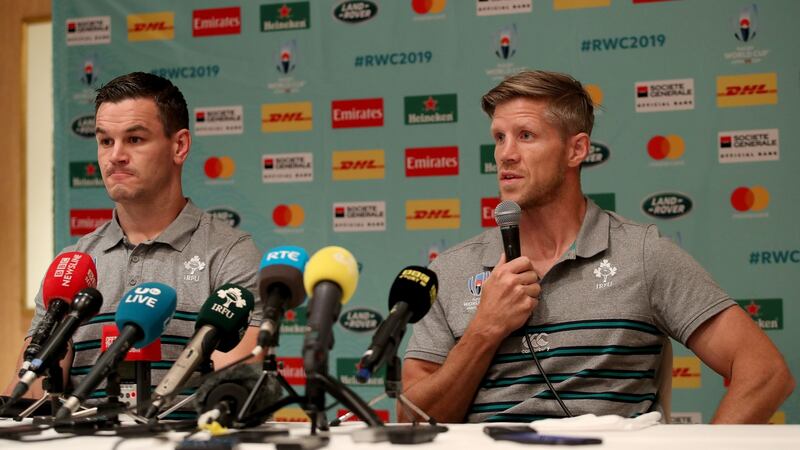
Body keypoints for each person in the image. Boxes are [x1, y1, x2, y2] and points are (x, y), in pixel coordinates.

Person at [401, 70, 794, 423]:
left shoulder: (641, 255)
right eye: (499, 138)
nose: (506, 153)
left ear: (576, 150)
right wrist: (484, 331)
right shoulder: (450, 272)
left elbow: (765, 373)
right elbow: (412, 419)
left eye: (526, 136)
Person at [3, 72, 262, 404]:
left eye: (135, 139)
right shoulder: (72, 265)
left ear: (179, 146)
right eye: (106, 141)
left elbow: (236, 391)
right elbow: (29, 395)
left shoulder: (230, 255)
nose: (115, 156)